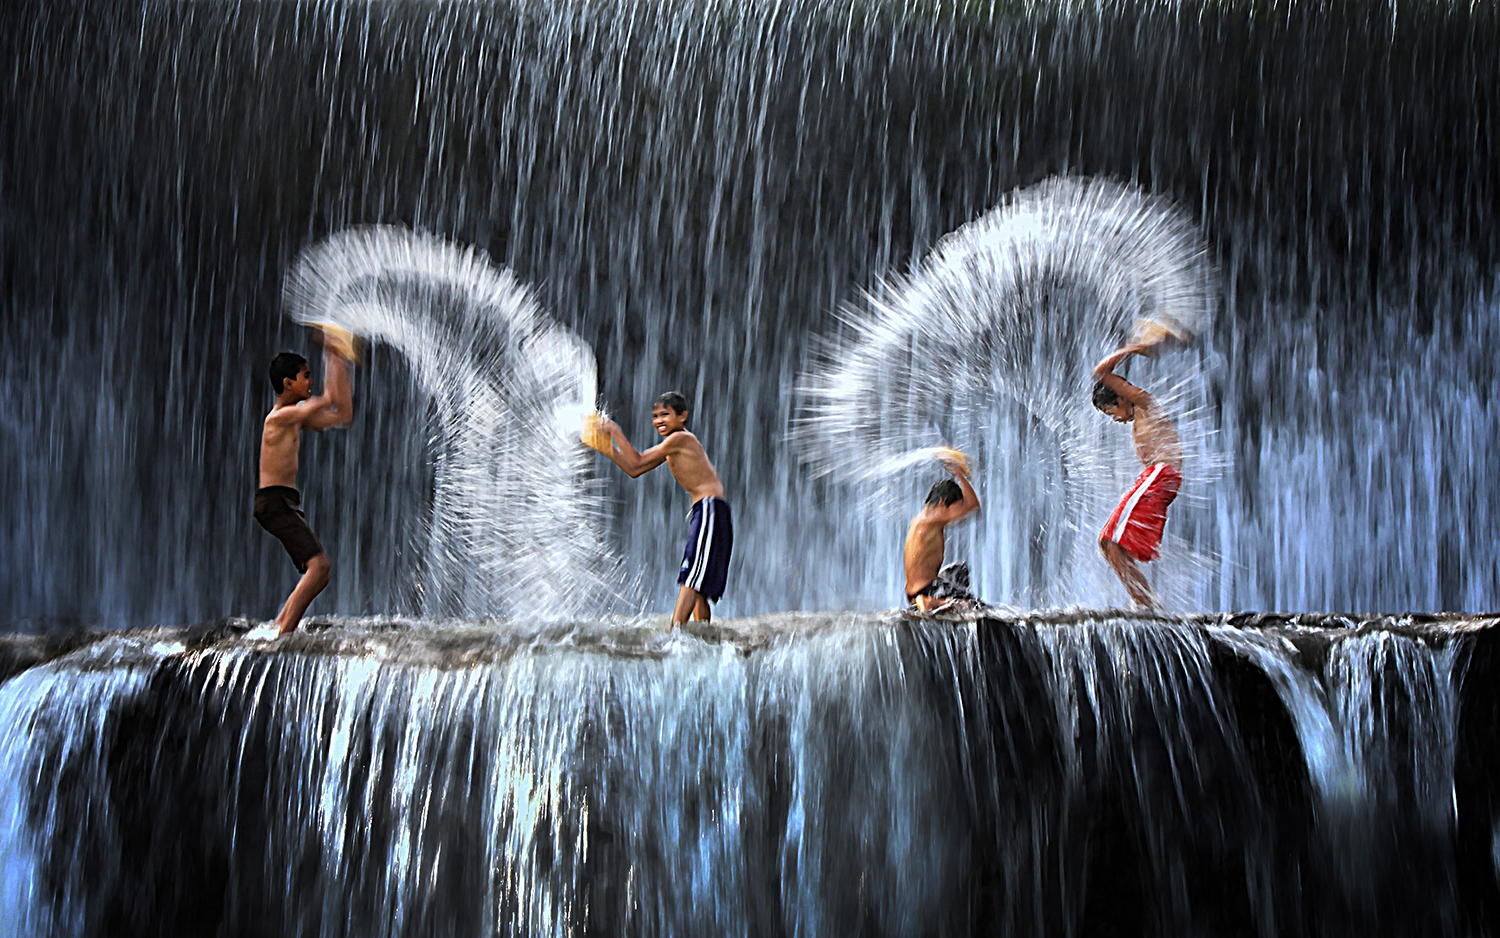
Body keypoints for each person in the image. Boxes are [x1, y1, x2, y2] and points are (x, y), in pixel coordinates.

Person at [593, 391, 732, 628]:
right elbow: (634, 469)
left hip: (710, 509)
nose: (659, 421)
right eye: (655, 416)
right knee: (700, 585)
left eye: (665, 415)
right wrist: (606, 447)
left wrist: (614, 431)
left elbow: (635, 460)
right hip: (706, 511)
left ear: (682, 417)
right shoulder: (672, 446)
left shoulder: (681, 440)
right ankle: (703, 639)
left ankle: (674, 635)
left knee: (691, 578)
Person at [254, 333, 355, 635]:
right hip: (274, 502)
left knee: (318, 568)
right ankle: (283, 633)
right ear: (288, 383)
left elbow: (343, 414)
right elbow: (328, 400)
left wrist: (336, 359)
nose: (310, 383)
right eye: (305, 376)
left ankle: (279, 626)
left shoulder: (294, 419)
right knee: (319, 568)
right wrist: (333, 351)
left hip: (284, 502)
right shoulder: (279, 418)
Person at [1091, 325, 1184, 608]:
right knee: (1110, 545)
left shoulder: (1144, 403)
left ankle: (1147, 605)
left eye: (1111, 412)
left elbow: (1101, 373)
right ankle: (1145, 602)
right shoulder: (1141, 414)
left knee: (1108, 541)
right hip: (1158, 478)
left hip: (1159, 474)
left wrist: (1135, 348)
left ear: (1121, 398)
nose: (1115, 419)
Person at [903, 454, 981, 612]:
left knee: (959, 571)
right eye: (956, 506)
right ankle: (932, 602)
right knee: (973, 605)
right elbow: (973, 506)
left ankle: (932, 600)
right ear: (942, 502)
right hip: (926, 589)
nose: (957, 512)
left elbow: (966, 513)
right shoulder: (933, 517)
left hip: (914, 589)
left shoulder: (922, 519)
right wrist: (958, 474)